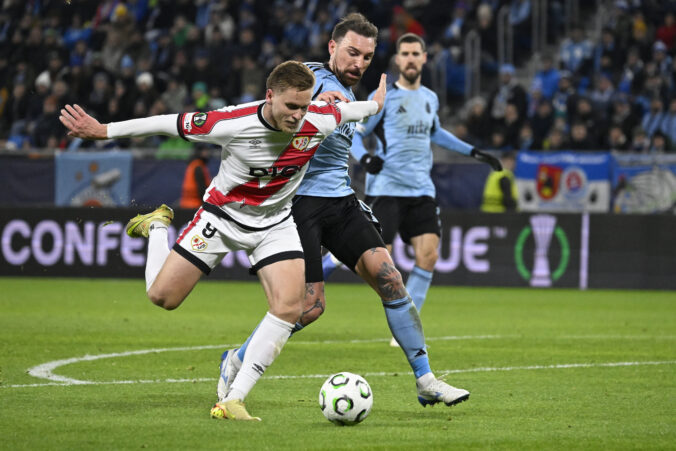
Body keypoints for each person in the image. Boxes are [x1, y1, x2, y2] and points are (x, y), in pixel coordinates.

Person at [59, 60, 387, 421]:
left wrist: (376, 103)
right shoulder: (231, 122)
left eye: (304, 106)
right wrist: (103, 130)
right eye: (291, 106)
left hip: (275, 224)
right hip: (221, 219)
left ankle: (234, 398)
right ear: (270, 96)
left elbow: (354, 110)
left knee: (290, 306)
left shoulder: (318, 119)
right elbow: (165, 123)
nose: (297, 115)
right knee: (162, 297)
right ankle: (156, 228)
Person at [219, 14, 492, 410]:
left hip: (341, 200)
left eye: (366, 56)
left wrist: (364, 107)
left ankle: (426, 380)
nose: (358, 63)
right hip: (298, 205)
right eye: (351, 53)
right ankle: (237, 359)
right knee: (310, 307)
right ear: (332, 47)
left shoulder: (352, 90)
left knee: (390, 279)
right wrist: (324, 101)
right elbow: (292, 97)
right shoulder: (312, 79)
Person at [321, 33, 502, 347]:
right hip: (387, 188)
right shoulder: (385, 98)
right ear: (398, 59)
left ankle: (407, 326)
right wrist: (365, 158)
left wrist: (474, 152)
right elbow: (357, 133)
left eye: (415, 53)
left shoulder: (430, 98)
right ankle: (336, 257)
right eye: (404, 54)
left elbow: (437, 133)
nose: (410, 59)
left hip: (421, 190)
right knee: (379, 264)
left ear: (424, 58)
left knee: (428, 256)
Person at [180, 144, 212, 209]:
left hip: (186, 204)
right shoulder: (198, 166)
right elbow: (201, 188)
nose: (207, 153)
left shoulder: (193, 164)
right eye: (205, 151)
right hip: (195, 205)